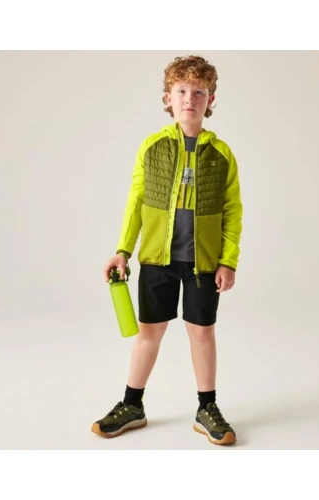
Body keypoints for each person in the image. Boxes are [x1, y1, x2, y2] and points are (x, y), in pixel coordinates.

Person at [91, 55, 243, 445]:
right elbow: (136, 200)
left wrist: (228, 260)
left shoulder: (222, 154)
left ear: (211, 100)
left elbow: (232, 211)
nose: (190, 99)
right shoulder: (152, 146)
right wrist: (123, 250)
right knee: (149, 332)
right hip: (157, 260)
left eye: (199, 92)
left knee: (202, 334)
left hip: (203, 263)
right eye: (181, 91)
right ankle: (132, 405)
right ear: (167, 98)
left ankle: (207, 407)